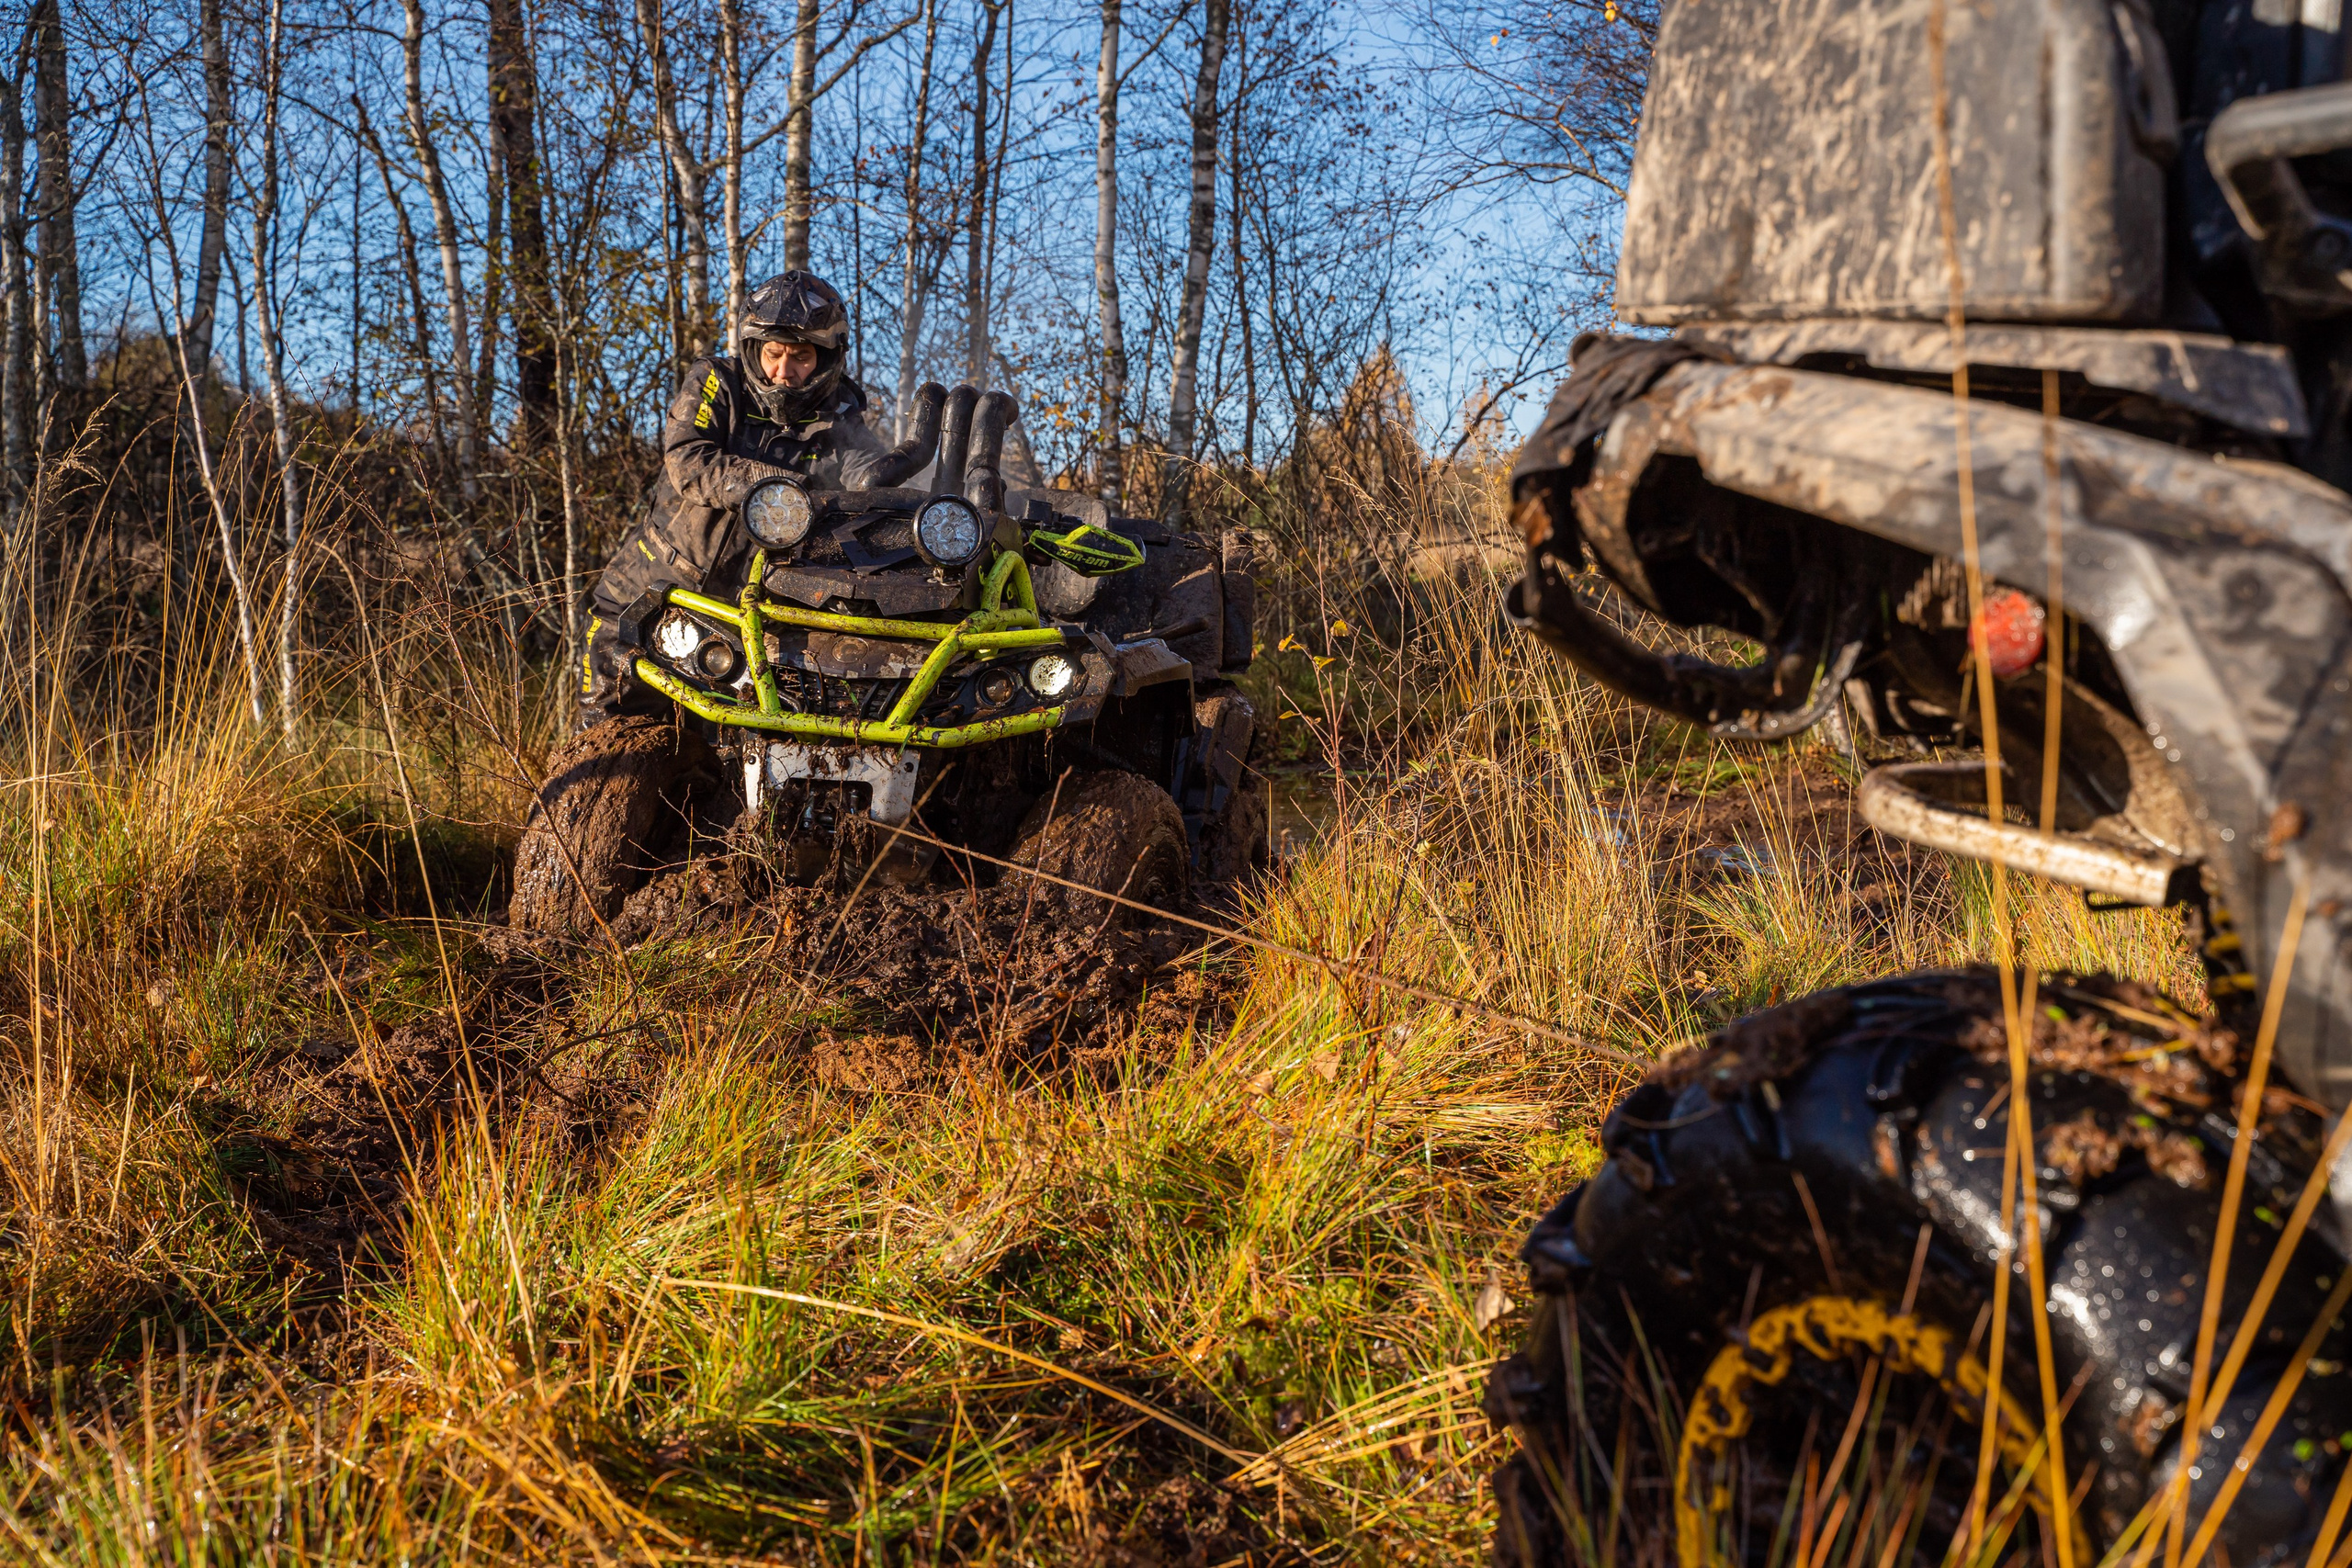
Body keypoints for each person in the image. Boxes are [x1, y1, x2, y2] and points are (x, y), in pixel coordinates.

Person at [578, 270, 893, 725]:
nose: (783, 372)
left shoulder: (842, 411)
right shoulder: (717, 381)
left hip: (746, 622)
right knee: (604, 741)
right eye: (773, 354)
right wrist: (777, 485)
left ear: (827, 357)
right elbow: (688, 458)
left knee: (729, 762)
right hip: (652, 594)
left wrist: (901, 479)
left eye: (801, 356)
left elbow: (866, 479)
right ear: (753, 349)